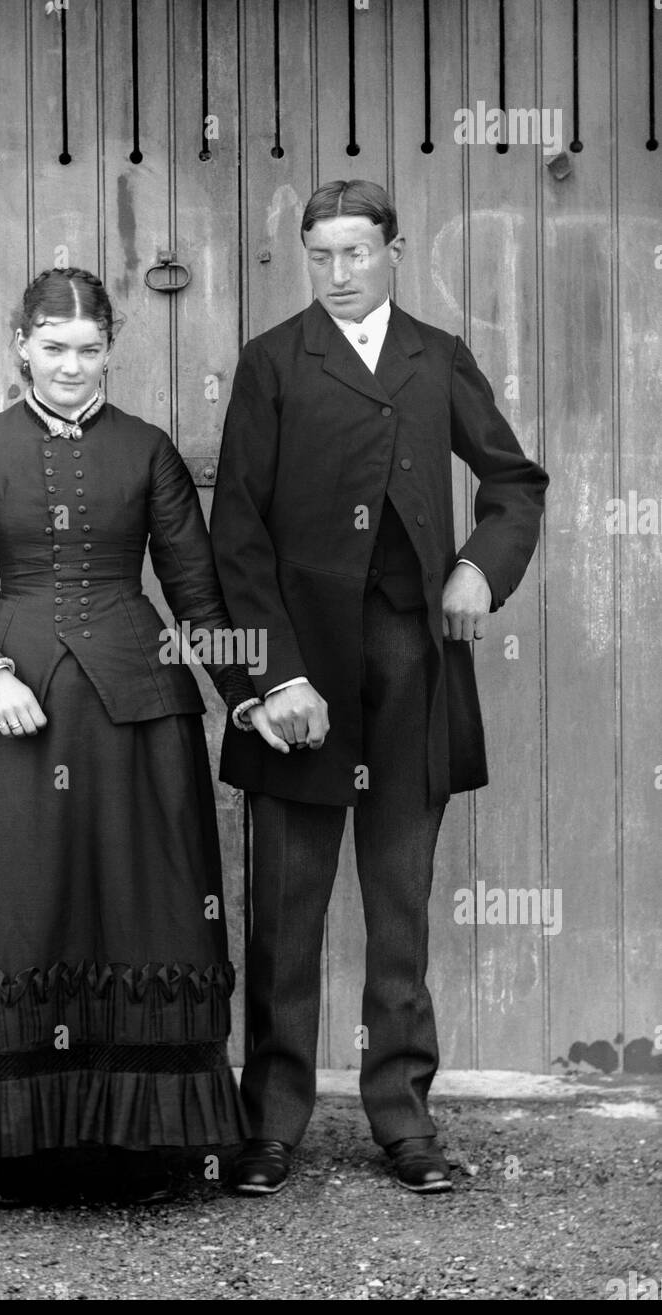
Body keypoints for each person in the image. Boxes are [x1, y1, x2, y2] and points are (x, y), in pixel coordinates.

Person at [0, 266, 282, 1202]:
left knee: (136, 903)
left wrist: (249, 693)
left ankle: (138, 1132)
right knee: (25, 906)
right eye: (55, 348)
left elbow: (194, 592)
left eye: (91, 348)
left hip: (137, 713)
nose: (73, 366)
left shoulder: (147, 450)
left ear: (113, 348)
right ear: (22, 345)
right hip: (12, 713)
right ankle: (20, 1136)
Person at [210, 180, 549, 1196]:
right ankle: (269, 1123)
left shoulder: (435, 358)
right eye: (321, 256)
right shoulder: (273, 363)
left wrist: (479, 567)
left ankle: (402, 1118)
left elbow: (513, 482)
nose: (339, 274)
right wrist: (274, 678)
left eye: (357, 253)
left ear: (393, 250)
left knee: (400, 910)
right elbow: (238, 532)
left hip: (411, 674)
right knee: (288, 916)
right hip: (302, 688)